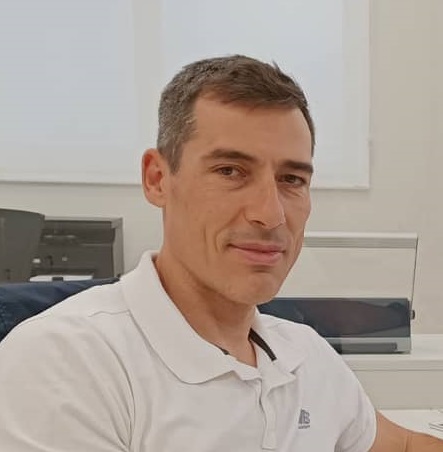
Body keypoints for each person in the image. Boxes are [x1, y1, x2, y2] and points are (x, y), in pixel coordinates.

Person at [0, 55, 441, 452]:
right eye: (230, 171)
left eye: (291, 179)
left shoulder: (304, 353)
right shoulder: (65, 361)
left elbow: (402, 445)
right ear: (157, 179)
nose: (270, 214)